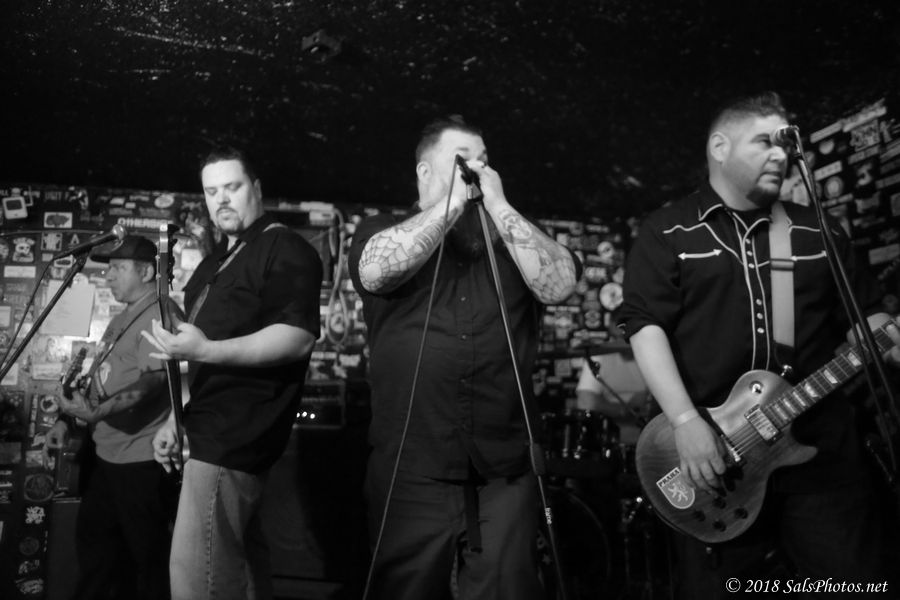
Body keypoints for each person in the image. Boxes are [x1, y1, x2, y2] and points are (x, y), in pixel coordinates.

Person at [619, 91, 898, 598]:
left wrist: (889, 336)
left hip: (822, 459)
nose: (780, 154)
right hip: (719, 461)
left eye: (785, 145)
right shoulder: (667, 231)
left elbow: (866, 315)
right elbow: (644, 325)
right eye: (764, 142)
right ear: (719, 147)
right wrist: (685, 423)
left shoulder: (819, 229)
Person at [348, 115, 580, 600]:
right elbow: (374, 272)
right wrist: (453, 202)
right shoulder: (381, 229)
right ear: (424, 172)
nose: (477, 168)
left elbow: (559, 286)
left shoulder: (511, 235)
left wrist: (498, 204)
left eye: (483, 160)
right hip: (412, 465)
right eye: (463, 160)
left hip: (505, 467)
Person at [144, 147, 323, 600]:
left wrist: (207, 348)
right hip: (206, 430)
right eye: (211, 191)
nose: (221, 199)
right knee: (237, 572)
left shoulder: (285, 247)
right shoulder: (213, 263)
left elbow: (296, 337)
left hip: (235, 438)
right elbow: (199, 361)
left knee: (196, 578)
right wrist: (176, 417)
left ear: (256, 189)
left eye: (232, 187)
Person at [44, 235, 180, 600]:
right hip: (106, 455)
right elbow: (98, 378)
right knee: (98, 553)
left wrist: (97, 412)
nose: (108, 276)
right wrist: (67, 420)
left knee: (148, 561)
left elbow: (154, 380)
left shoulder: (160, 314)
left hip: (140, 463)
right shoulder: (124, 316)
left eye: (118, 268)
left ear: (147, 272)